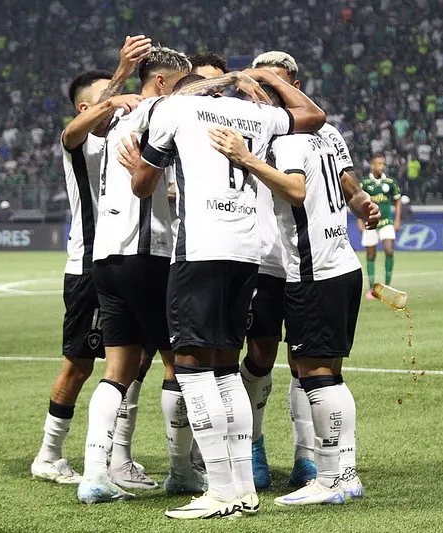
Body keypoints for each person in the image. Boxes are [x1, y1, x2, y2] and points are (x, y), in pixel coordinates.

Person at [128, 67, 326, 519]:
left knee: (193, 367)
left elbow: (142, 185)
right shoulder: (251, 112)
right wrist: (264, 79)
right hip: (247, 251)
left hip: (199, 250)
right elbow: (313, 115)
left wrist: (139, 164)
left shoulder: (173, 107)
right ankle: (241, 489)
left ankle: (219, 488)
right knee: (224, 367)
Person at [207, 92, 377, 506]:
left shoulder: (301, 137)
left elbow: (316, 186)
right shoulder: (262, 127)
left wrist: (358, 200)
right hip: (271, 261)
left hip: (309, 266)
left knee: (314, 370)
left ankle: (322, 466)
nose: (256, 98)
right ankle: (266, 450)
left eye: (267, 89)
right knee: (277, 358)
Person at [30, 35, 152, 491]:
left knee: (133, 361)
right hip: (87, 267)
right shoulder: (78, 143)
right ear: (87, 109)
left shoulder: (122, 139)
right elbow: (77, 127)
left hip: (123, 262)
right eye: (108, 101)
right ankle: (48, 454)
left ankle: (118, 458)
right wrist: (120, 75)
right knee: (79, 365)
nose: (118, 107)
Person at [77, 46, 193, 504]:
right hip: (148, 255)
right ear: (162, 83)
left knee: (117, 369)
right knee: (178, 362)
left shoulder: (113, 120)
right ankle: (182, 472)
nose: (187, 92)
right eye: (182, 83)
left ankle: (93, 476)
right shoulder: (160, 115)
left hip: (107, 257)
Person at [359, 153, 402, 293]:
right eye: (379, 164)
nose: (382, 166)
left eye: (383, 164)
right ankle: (372, 288)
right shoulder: (364, 183)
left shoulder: (390, 182)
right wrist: (359, 219)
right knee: (371, 255)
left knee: (389, 250)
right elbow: (358, 202)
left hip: (386, 221)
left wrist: (397, 220)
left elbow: (397, 200)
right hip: (370, 222)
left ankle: (387, 285)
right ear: (372, 165)